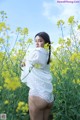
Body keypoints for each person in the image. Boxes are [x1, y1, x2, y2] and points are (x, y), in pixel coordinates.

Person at [21, 32, 54, 120]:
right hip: (49, 97)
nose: (37, 43)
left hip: (37, 95)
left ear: (46, 43)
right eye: (36, 41)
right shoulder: (48, 55)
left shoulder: (37, 52)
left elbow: (25, 65)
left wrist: (23, 63)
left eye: (40, 41)